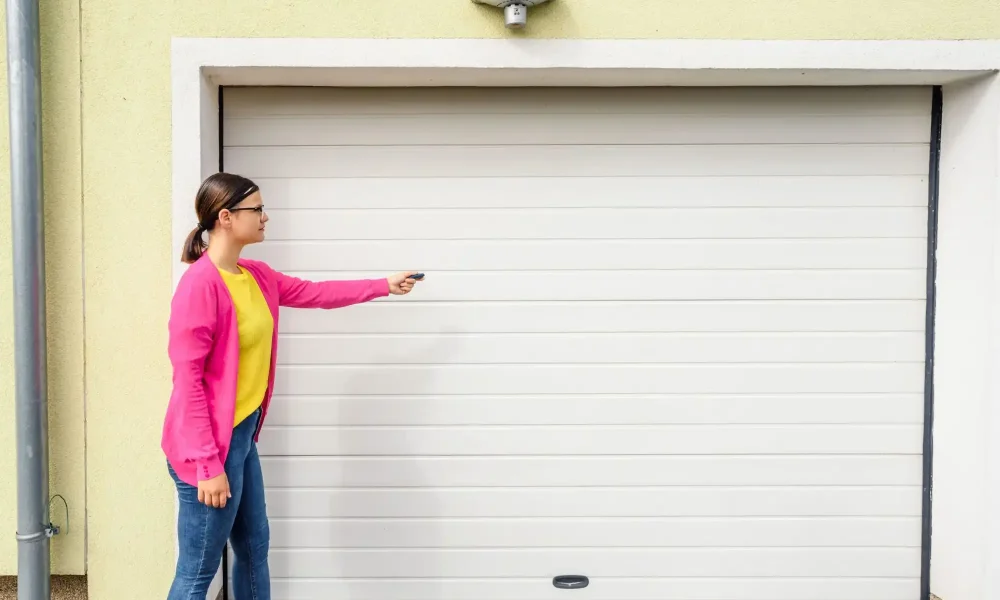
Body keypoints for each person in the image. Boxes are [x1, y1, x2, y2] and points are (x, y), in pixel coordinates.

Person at [160, 172, 421, 599]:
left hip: (240, 438)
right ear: (226, 217)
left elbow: (314, 292)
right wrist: (208, 466)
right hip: (205, 449)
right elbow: (187, 383)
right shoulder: (200, 286)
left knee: (254, 547)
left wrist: (382, 286)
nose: (266, 217)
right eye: (257, 209)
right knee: (197, 571)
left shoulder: (255, 275)